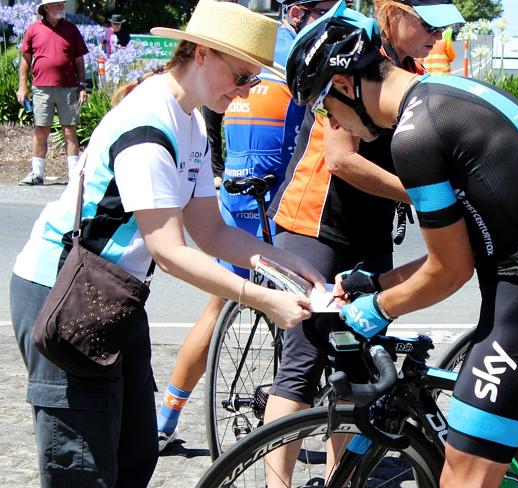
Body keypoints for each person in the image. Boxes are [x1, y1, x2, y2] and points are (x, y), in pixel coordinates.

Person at [9, 1, 325, 485]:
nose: (245, 92)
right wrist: (262, 298)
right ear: (201, 53)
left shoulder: (192, 120)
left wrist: (290, 263)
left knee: (135, 452)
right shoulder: (149, 126)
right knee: (83, 465)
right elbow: (171, 251)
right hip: (64, 289)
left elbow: (210, 231)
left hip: (116, 291)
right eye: (241, 77)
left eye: (254, 81)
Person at [286, 3, 518, 487]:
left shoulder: (414, 137)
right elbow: (473, 247)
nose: (336, 122)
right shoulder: (453, 95)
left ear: (346, 85)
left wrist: (374, 309)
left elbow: (449, 272)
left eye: (327, 107)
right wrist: (374, 281)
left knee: (461, 479)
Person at [262, 0, 464, 484]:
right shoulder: (348, 56)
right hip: (317, 221)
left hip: (370, 227)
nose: (438, 36)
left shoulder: (412, 73)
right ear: (393, 14)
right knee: (304, 362)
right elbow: (341, 160)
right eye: (428, 24)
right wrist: (422, 197)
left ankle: (342, 477)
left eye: (444, 27)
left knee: (359, 362)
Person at [155, 0, 337, 451]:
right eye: (329, 11)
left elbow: (218, 128)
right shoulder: (301, 60)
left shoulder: (234, 68)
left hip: (235, 187)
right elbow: (305, 143)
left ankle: (165, 419)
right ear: (300, 14)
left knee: (217, 308)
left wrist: (219, 169)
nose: (244, 87)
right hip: (270, 195)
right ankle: (297, 414)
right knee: (305, 318)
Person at [16, 0, 89, 186]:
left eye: (62, 4)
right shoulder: (34, 29)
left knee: (69, 129)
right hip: (41, 88)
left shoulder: (71, 30)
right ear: (46, 8)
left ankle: (74, 175)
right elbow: (25, 60)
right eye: (57, 5)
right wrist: (22, 87)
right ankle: (37, 174)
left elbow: (79, 61)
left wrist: (82, 86)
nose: (61, 7)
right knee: (41, 129)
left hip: (68, 87)